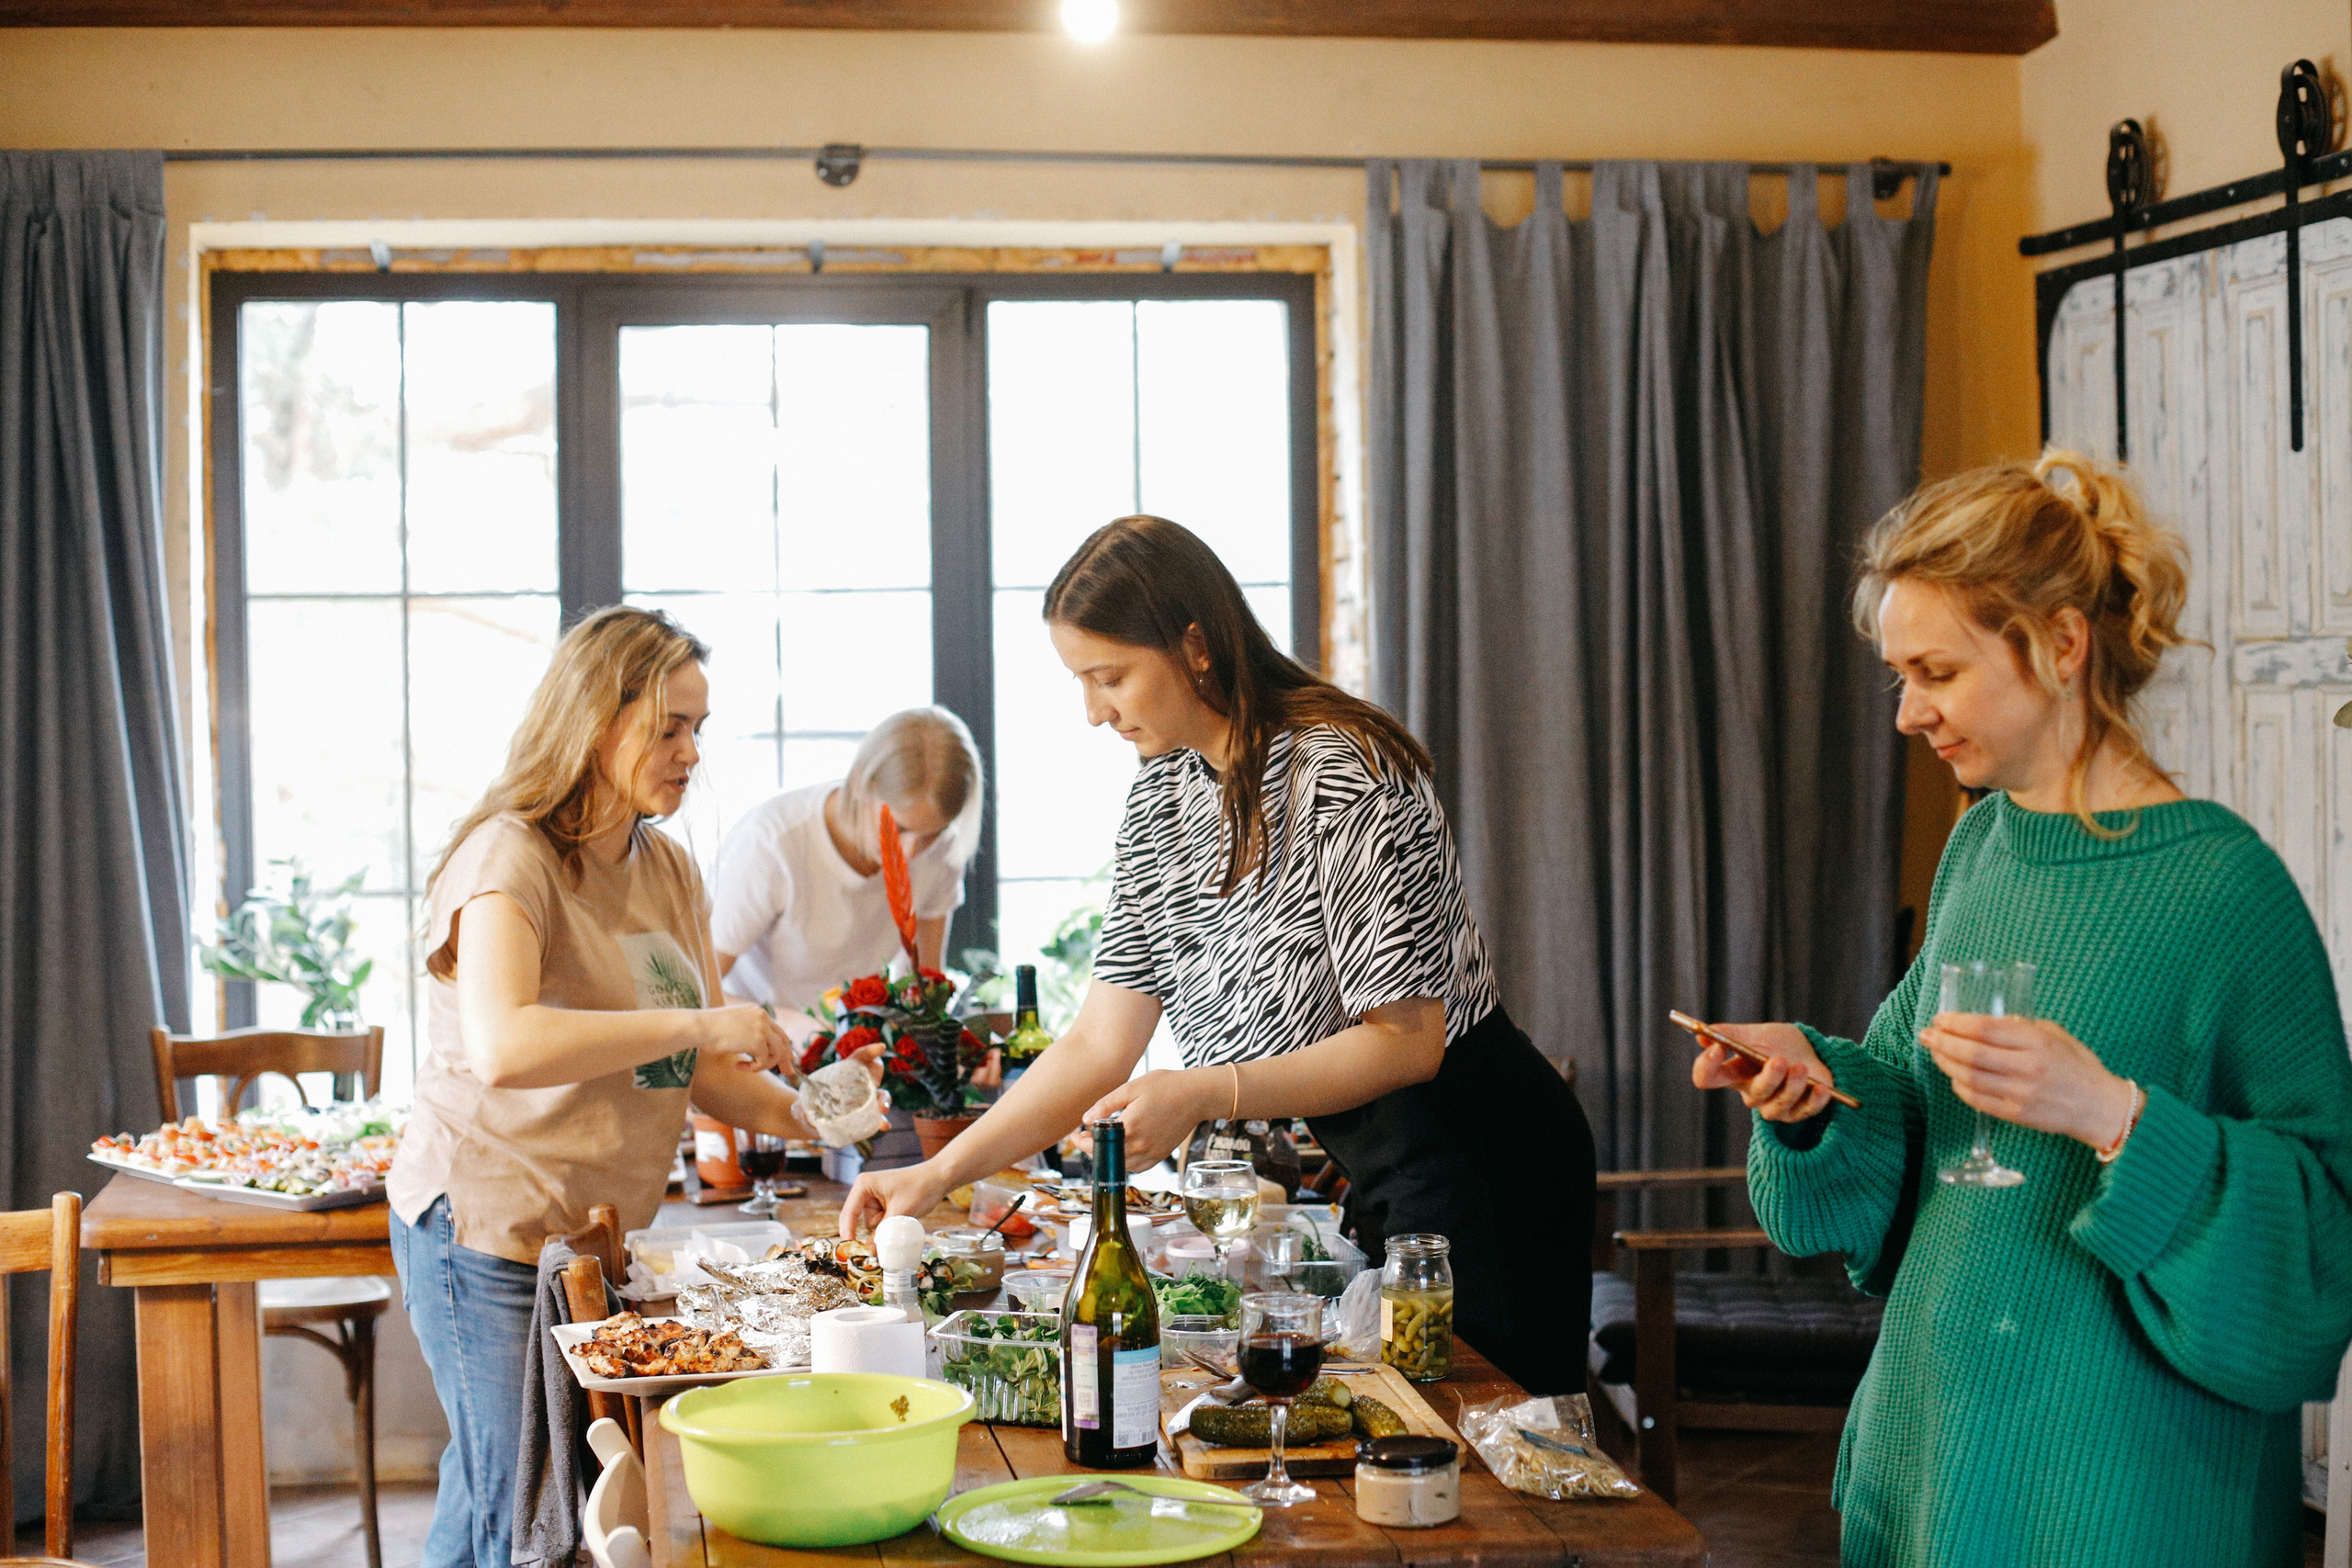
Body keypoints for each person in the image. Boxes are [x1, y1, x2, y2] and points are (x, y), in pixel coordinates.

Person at [1695, 452, 2352, 1567]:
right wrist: (1808, 1092)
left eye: (1936, 672)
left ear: (2059, 643)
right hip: (1942, 1448)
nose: (1908, 714)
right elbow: (1912, 1117)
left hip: (2121, 1491)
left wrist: (2112, 1116)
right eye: (1899, 676)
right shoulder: (1983, 845)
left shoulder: (2223, 889)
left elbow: (2322, 1246)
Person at [841, 515, 1599, 1394]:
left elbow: (1407, 1041)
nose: (1094, 711)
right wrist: (935, 1172)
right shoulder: (1163, 794)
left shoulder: (1344, 767)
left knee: (1493, 1455)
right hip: (1379, 1158)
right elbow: (1099, 1041)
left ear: (1194, 646)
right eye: (1081, 682)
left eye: (1110, 676)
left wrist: (1205, 1090)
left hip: (1483, 1151)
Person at [386, 605, 879, 1568]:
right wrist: (704, 1020)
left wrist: (819, 1118)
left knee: (503, 1489)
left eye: (698, 726)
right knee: (513, 1508)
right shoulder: (509, 855)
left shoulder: (668, 870)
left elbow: (694, 1074)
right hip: (485, 1224)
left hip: (589, 1234)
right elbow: (504, 1045)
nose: (691, 750)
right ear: (593, 722)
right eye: (668, 726)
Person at [710, 705, 983, 1026]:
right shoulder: (772, 843)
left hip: (859, 1043)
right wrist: (793, 1026)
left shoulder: (942, 849)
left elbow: (922, 988)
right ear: (860, 785)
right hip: (759, 1043)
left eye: (932, 835)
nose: (910, 854)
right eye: (899, 828)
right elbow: (698, 993)